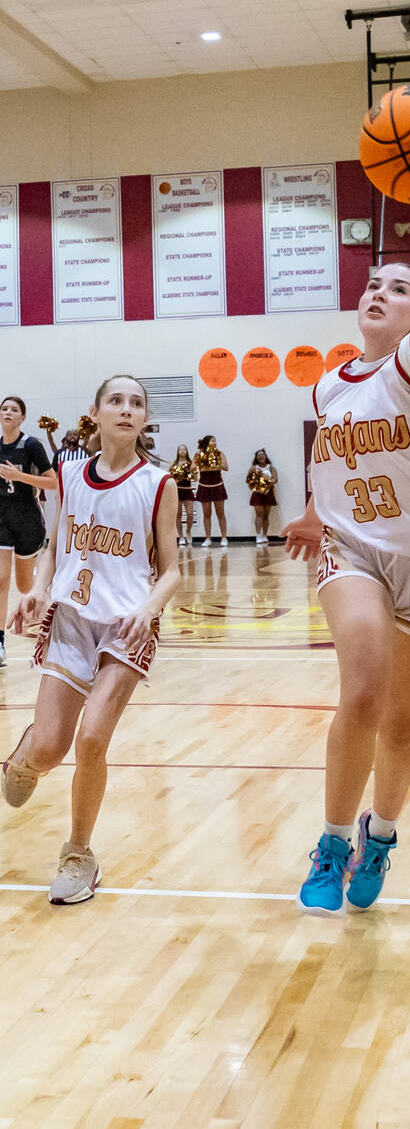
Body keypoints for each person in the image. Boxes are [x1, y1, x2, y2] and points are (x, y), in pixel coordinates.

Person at [284, 175, 410, 916]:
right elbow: (339, 460)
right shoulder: (327, 388)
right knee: (364, 687)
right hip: (354, 548)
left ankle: (382, 836)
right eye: (371, 283)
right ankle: (333, 839)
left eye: (396, 288)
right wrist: (311, 509)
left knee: (404, 722)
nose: (378, 293)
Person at [2, 374, 179, 902]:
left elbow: (172, 570)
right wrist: (39, 593)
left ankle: (78, 854)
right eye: (116, 401)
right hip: (72, 619)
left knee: (94, 737)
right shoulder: (70, 473)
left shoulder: (158, 483)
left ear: (145, 418)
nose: (127, 409)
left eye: (137, 403)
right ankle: (27, 755)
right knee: (53, 747)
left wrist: (150, 609)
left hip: (127, 624)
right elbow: (59, 543)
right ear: (96, 413)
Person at [0, 396, 57, 667]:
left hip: (28, 521)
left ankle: (49, 597)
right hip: (2, 520)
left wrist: (19, 476)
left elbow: (52, 483)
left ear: (22, 417)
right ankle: (0, 642)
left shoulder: (31, 445)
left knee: (25, 586)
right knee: (1, 579)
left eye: (14, 409)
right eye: (4, 408)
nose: (8, 412)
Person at [193, 434, 228, 547]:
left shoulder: (219, 453)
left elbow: (226, 467)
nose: (214, 443)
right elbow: (192, 468)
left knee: (220, 513)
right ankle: (208, 538)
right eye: (212, 441)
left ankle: (224, 537)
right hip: (204, 486)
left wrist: (213, 464)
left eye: (215, 441)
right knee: (206, 514)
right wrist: (200, 463)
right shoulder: (199, 454)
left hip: (217, 485)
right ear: (207, 443)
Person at [246, 448, 278, 544]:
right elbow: (248, 480)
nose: (261, 457)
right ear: (256, 458)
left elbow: (275, 479)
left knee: (266, 514)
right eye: (259, 455)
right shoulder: (253, 468)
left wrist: (268, 481)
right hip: (257, 493)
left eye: (262, 455)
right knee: (259, 513)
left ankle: (265, 535)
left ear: (265, 457)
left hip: (268, 492)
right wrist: (256, 484)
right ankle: (258, 535)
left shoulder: (271, 468)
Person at [170, 444, 198, 546]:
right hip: (177, 490)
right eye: (180, 449)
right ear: (177, 451)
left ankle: (188, 531)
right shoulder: (174, 464)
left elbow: (195, 479)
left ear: (187, 451)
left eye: (184, 449)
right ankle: (181, 536)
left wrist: (193, 473)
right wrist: (176, 479)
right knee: (178, 514)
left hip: (187, 490)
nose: (182, 451)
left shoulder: (191, 464)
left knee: (190, 513)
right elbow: (171, 478)